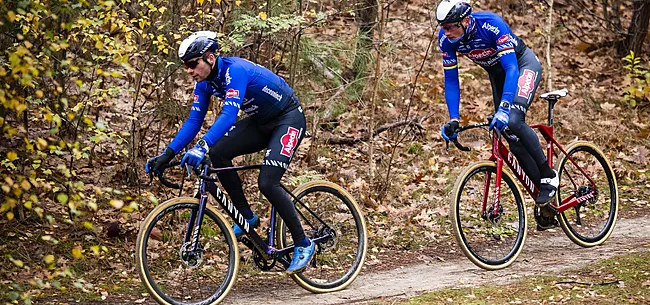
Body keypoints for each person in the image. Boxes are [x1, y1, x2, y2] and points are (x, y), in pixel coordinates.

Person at [145, 31, 314, 272]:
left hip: (288, 118)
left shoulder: (235, 71)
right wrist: (168, 153)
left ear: (210, 58)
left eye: (193, 64)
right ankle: (246, 215)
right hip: (260, 122)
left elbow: (229, 115)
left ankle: (303, 242)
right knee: (218, 153)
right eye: (186, 66)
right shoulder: (204, 84)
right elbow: (194, 121)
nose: (190, 71)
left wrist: (201, 146)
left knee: (267, 183)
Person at [436, 0, 559, 228]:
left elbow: (512, 67)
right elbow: (451, 80)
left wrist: (503, 108)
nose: (447, 32)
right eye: (443, 27)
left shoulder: (491, 25)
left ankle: (548, 175)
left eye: (451, 26)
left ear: (465, 20)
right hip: (498, 76)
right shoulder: (447, 40)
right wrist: (454, 118)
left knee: (512, 119)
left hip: (521, 67)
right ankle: (546, 203)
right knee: (512, 138)